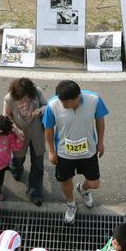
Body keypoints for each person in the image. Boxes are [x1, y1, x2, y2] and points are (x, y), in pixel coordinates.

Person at [43, 79, 109, 224]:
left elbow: (100, 120)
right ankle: (71, 204)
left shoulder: (94, 100)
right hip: (64, 153)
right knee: (65, 181)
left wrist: (101, 142)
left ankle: (83, 189)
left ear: (77, 97)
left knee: (94, 183)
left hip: (88, 151)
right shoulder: (52, 105)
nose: (63, 105)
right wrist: (51, 151)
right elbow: (48, 129)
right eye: (61, 101)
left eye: (66, 102)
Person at [4, 77, 47, 206]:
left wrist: (40, 111)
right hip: (19, 135)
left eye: (25, 97)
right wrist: (16, 129)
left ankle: (34, 192)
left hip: (37, 133)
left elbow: (47, 105)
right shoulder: (8, 98)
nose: (23, 101)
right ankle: (16, 168)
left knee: (38, 164)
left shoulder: (37, 91)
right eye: (20, 98)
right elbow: (6, 117)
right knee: (18, 158)